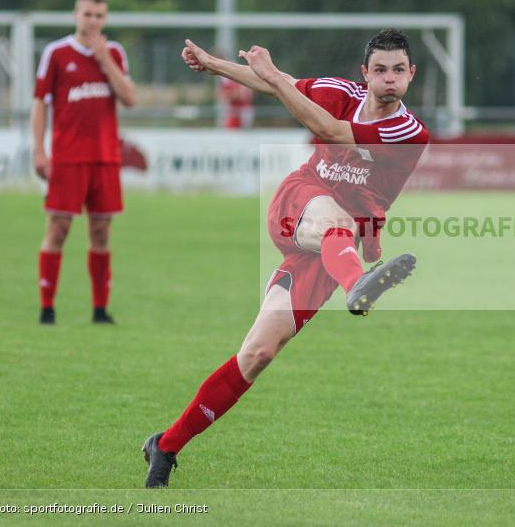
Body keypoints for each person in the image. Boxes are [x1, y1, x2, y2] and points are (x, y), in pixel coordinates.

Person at [142, 29, 429, 488]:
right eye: (381, 70)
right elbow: (279, 83)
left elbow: (328, 129)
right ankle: (359, 285)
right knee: (337, 224)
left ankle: (166, 445)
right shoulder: (341, 92)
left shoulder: (408, 131)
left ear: (411, 75)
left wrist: (274, 77)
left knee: (256, 354)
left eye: (398, 70)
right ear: (365, 73)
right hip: (301, 202)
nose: (389, 79)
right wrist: (215, 64)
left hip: (329, 254)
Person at [33, 0, 137, 325]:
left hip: (105, 157)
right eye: (87, 14)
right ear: (76, 14)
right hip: (67, 157)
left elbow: (129, 98)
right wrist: (39, 150)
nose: (92, 21)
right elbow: (40, 104)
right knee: (59, 228)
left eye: (99, 15)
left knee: (101, 233)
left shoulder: (116, 53)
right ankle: (47, 307)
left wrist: (103, 56)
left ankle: (99, 310)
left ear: (105, 18)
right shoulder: (57, 53)